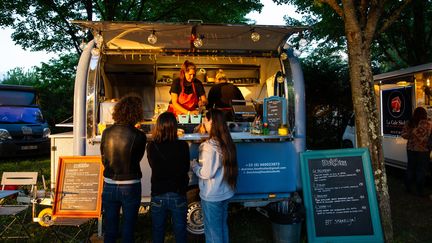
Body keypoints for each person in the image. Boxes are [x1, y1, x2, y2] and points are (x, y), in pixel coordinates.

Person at [100, 96, 147, 243]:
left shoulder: (106, 132)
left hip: (109, 183)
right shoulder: (140, 136)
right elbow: (137, 158)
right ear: (136, 113)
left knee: (110, 228)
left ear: (118, 111)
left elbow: (104, 158)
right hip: (130, 184)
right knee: (129, 226)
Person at [191, 109, 238, 243]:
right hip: (225, 192)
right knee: (222, 227)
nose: (204, 122)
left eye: (205, 119)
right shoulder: (227, 142)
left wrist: (194, 166)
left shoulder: (208, 146)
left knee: (212, 233)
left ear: (211, 122)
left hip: (212, 195)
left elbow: (206, 173)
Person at [146, 112, 190, 243]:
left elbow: (153, 165)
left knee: (158, 230)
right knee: (180, 230)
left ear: (158, 126)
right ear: (174, 127)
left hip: (158, 192)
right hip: (177, 192)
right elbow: (185, 168)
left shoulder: (151, 146)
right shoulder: (182, 146)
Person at [401, 106, 432, 197]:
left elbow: (403, 134)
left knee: (410, 168)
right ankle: (419, 191)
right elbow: (425, 137)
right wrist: (415, 133)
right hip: (423, 150)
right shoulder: (428, 124)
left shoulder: (409, 123)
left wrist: (411, 133)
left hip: (411, 149)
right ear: (425, 114)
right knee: (421, 170)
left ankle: (408, 188)